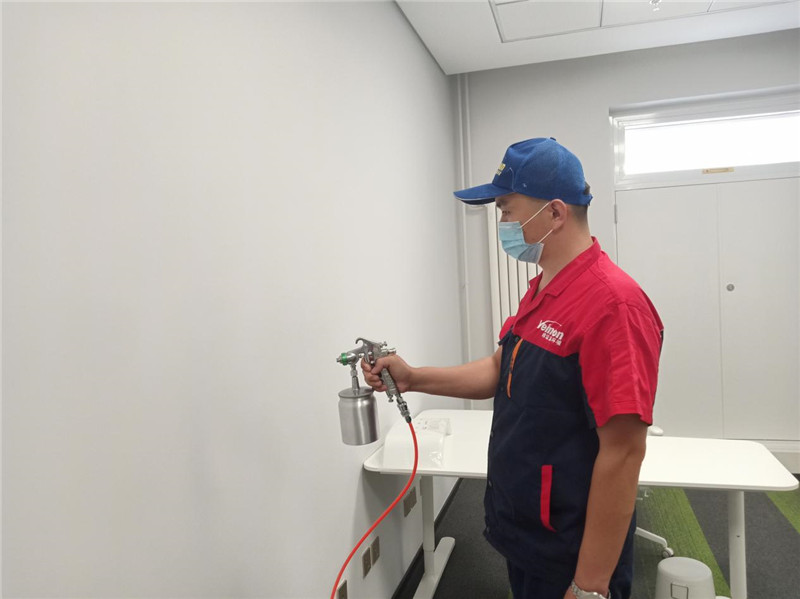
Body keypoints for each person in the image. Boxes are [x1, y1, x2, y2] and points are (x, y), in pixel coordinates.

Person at [362, 137, 663, 599]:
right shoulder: (544, 288)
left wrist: (590, 585)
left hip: (571, 547)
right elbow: (499, 368)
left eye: (506, 209)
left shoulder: (614, 306)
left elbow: (623, 452)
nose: (502, 223)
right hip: (526, 528)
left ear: (555, 213)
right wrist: (414, 377)